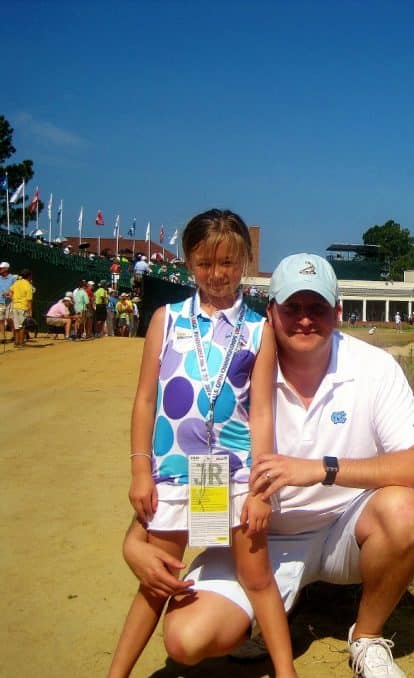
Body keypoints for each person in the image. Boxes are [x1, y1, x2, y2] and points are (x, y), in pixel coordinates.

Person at [121, 252, 414, 677]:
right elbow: (190, 469)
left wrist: (321, 468)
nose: (304, 319)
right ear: (270, 313)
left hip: (341, 532)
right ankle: (265, 611)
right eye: (291, 307)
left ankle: (366, 637)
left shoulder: (373, 367)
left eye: (317, 308)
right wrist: (135, 540)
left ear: (338, 312)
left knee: (404, 510)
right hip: (252, 543)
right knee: (186, 640)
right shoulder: (231, 376)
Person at [108, 210, 295, 677]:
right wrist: (138, 470)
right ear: (188, 261)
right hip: (173, 471)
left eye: (229, 263)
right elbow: (145, 398)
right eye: (205, 263)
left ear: (246, 262)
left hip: (231, 472)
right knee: (157, 582)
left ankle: (286, 671)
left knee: (257, 577)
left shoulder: (259, 330)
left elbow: (263, 412)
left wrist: (259, 488)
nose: (217, 275)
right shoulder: (165, 320)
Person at [9, 268, 34, 347]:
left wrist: (13, 298)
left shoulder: (17, 282)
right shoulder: (28, 285)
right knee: (22, 326)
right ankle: (21, 342)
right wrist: (30, 311)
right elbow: (29, 300)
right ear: (29, 276)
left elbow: (10, 291)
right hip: (23, 307)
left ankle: (16, 342)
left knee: (16, 326)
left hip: (15, 306)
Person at [0, 261, 17, 343]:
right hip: (1, 301)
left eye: (1, 268)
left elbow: (15, 289)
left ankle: (14, 334)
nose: (0, 269)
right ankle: (3, 337)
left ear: (6, 269)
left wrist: (9, 293)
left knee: (9, 318)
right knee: (1, 319)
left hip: (10, 301)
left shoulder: (13, 278)